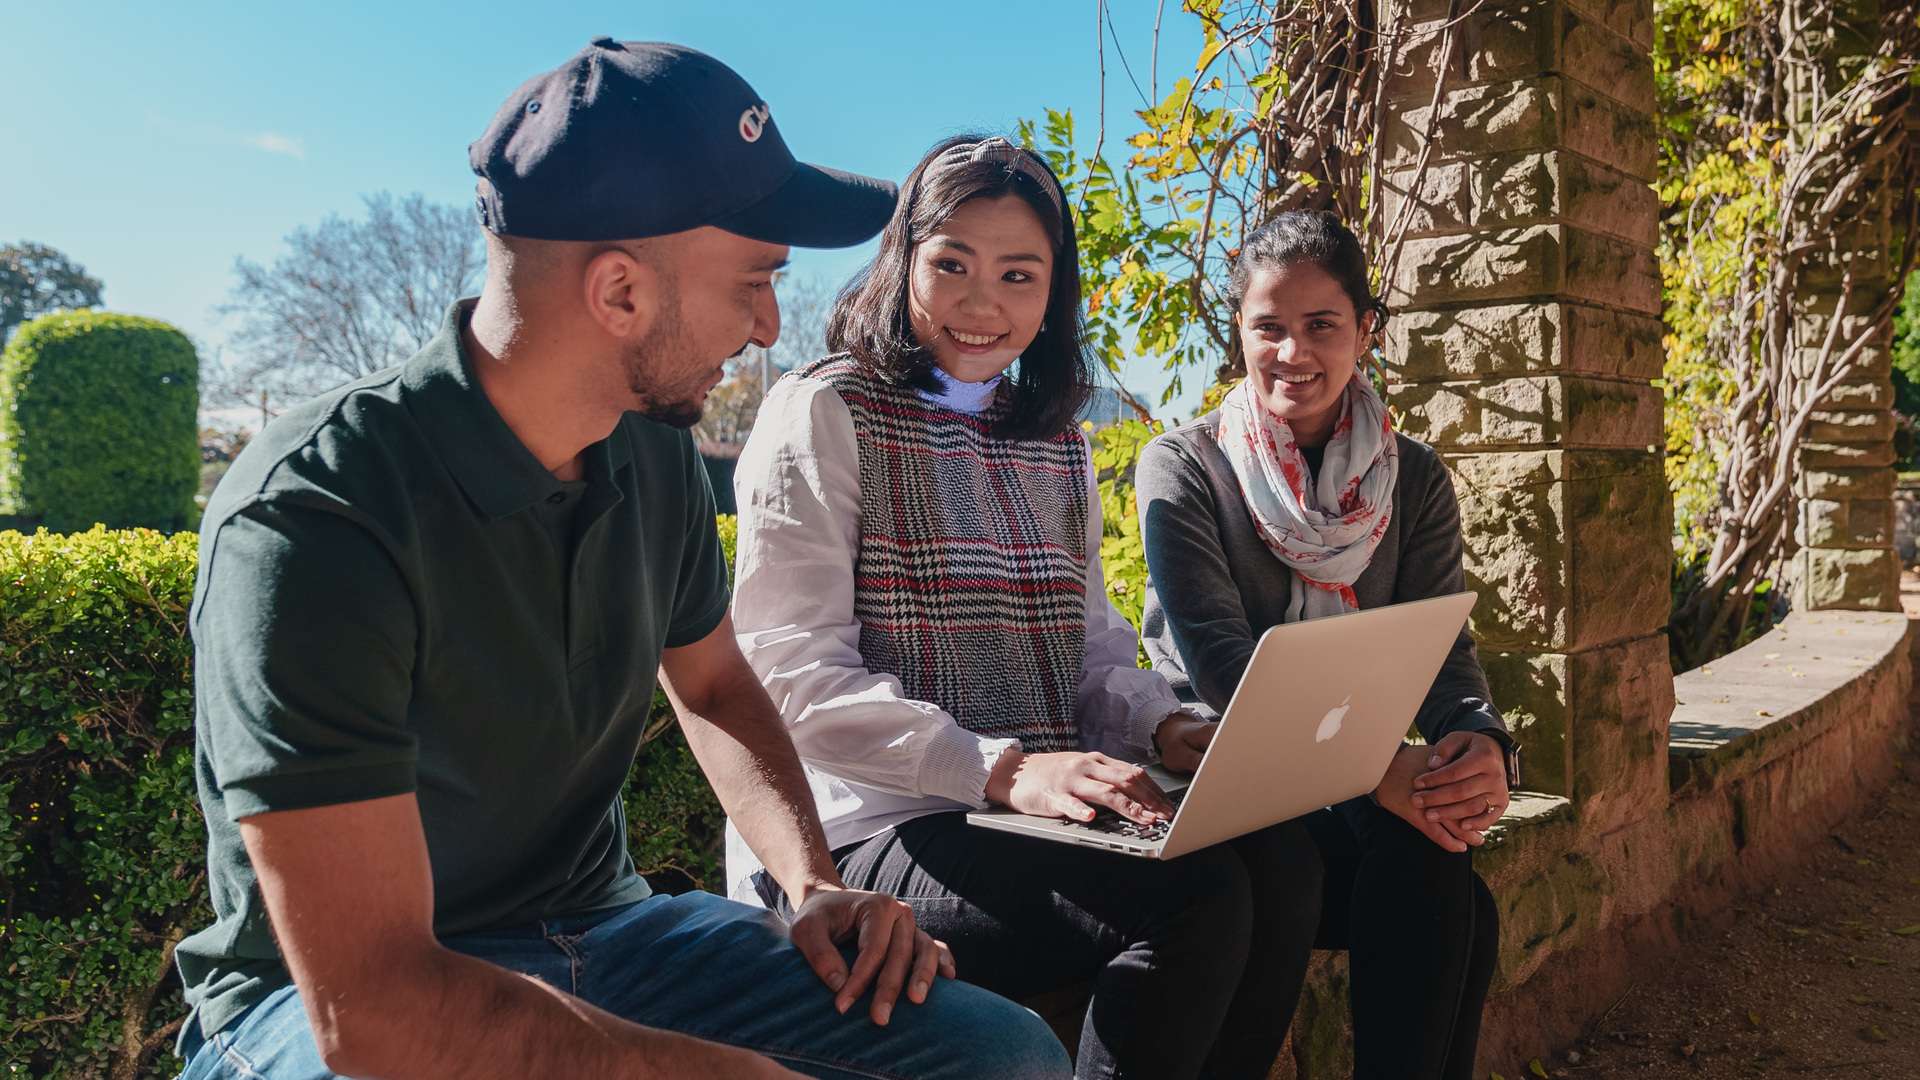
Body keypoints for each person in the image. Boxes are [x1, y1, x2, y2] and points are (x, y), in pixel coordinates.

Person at [174, 42, 1070, 1080]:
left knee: (1002, 1055)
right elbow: (370, 1008)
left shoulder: (651, 450)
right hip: (320, 1002)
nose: (772, 324)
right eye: (755, 281)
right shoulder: (316, 516)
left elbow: (717, 685)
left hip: (604, 938)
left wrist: (813, 882)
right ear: (619, 293)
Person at [725, 134, 1323, 1080]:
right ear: (902, 261)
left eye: (1018, 274)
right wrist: (995, 769)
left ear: (1053, 295)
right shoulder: (824, 411)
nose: (981, 303)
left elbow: (1089, 647)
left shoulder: (1055, 443)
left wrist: (1163, 725)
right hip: (864, 827)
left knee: (1281, 866)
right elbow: (787, 673)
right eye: (951, 263)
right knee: (1195, 898)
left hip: (1021, 811)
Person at [1136, 208, 1522, 1080]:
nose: (1291, 353)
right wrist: (1378, 772)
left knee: (1442, 863)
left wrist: (1480, 744)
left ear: (1366, 333)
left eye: (1321, 326)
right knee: (1447, 889)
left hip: (1343, 780)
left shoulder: (1412, 479)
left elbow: (1442, 657)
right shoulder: (1185, 469)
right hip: (1224, 776)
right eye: (1267, 327)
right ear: (1238, 330)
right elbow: (1225, 671)